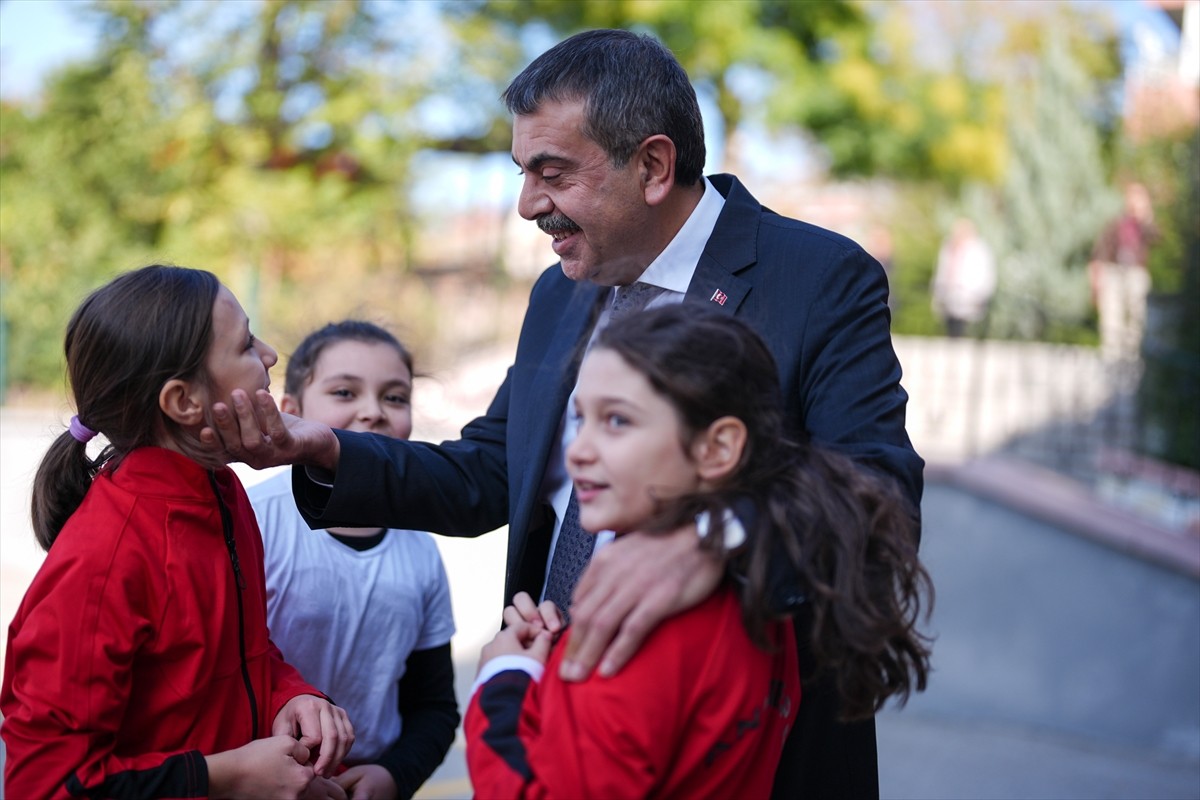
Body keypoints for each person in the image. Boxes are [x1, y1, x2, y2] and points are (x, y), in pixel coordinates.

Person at [203, 29, 923, 798]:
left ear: (652, 165)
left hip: (742, 758)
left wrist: (711, 542)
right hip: (557, 740)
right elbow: (494, 470)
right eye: (522, 172)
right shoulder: (560, 288)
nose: (526, 205)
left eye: (552, 173)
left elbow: (877, 491)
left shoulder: (819, 277)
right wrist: (325, 450)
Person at [465, 306, 933, 798]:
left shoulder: (638, 631)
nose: (577, 450)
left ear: (718, 448)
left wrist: (504, 681)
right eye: (581, 419)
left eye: (617, 420)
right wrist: (550, 663)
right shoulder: (760, 601)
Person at [0, 265, 353, 799]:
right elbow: (45, 784)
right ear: (183, 402)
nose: (270, 354)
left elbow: (236, 651)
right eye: (245, 344)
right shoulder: (104, 561)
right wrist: (226, 778)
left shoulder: (222, 489)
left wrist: (290, 695)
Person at [249, 321, 459, 800]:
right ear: (291, 413)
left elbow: (435, 707)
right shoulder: (254, 521)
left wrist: (393, 776)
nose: (373, 412)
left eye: (395, 397)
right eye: (345, 392)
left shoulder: (419, 546)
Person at [1088, 182, 1158, 361]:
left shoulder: (1144, 223)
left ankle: (1131, 353)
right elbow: (1101, 247)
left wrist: (1146, 217)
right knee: (1112, 311)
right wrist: (1096, 273)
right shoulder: (1117, 221)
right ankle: (1111, 353)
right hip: (1114, 270)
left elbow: (1157, 238)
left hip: (1135, 272)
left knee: (1136, 313)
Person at [931, 217, 996, 338]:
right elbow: (941, 273)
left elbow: (984, 277)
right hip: (950, 301)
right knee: (952, 335)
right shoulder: (948, 247)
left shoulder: (978, 249)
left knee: (967, 336)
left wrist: (977, 295)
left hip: (970, 301)